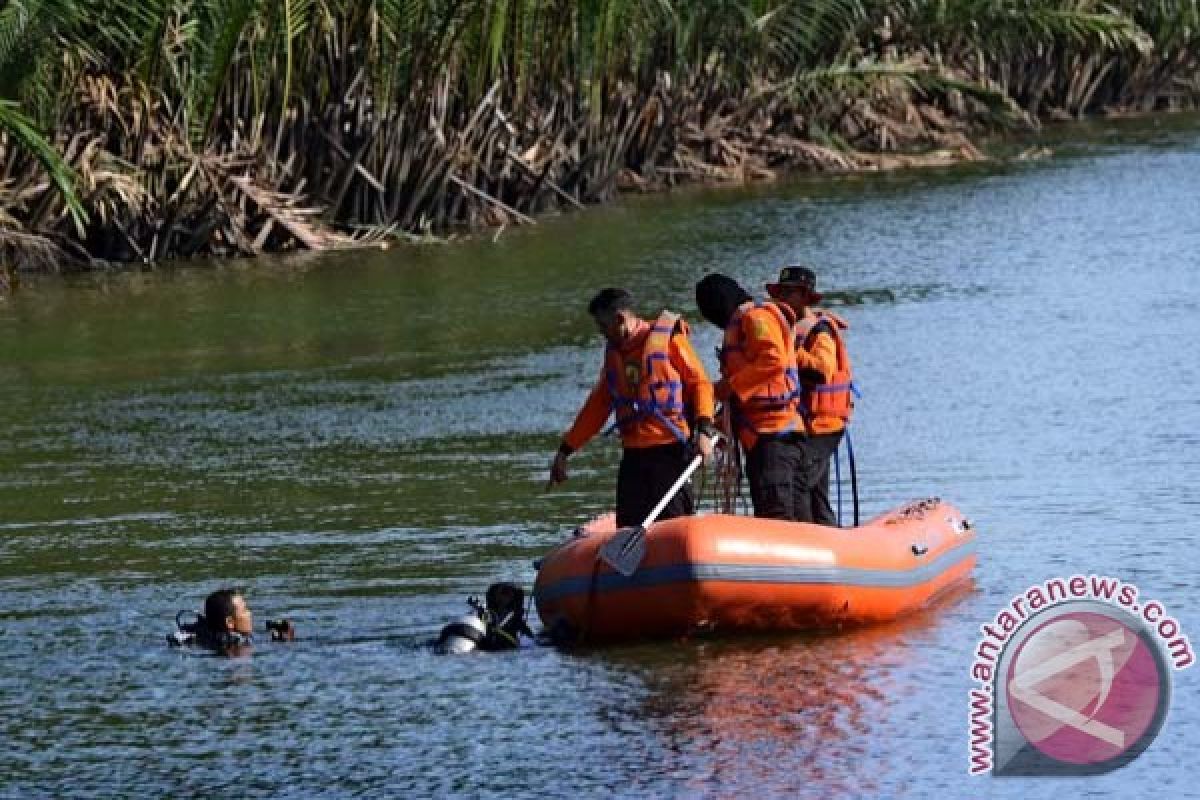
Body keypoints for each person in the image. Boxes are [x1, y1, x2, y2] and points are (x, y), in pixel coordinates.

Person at [548, 288, 717, 527]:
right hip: (634, 456)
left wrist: (704, 430)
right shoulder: (614, 355)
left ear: (620, 319)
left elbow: (700, 384)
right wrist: (566, 450)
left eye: (603, 326)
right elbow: (597, 407)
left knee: (673, 525)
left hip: (670, 451)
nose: (602, 333)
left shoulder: (667, 340)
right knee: (628, 527)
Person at [695, 272, 817, 522]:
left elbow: (773, 360)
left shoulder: (754, 318)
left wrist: (728, 387)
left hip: (773, 438)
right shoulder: (751, 319)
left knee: (776, 514)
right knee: (795, 514)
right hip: (777, 436)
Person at [766, 266, 854, 526]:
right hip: (804, 424)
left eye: (789, 293)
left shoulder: (820, 331)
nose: (782, 298)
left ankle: (806, 537)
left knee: (801, 479)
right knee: (816, 491)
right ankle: (828, 535)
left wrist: (789, 354)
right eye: (780, 292)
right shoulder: (788, 330)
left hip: (824, 425)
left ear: (805, 297)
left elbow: (823, 369)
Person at [168, 587, 294, 654]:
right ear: (230, 622)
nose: (250, 613)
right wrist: (284, 642)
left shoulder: (205, 635)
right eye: (245, 610)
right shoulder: (236, 643)